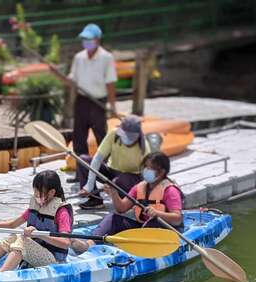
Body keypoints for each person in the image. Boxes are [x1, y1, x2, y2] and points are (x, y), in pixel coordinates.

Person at [0, 170, 73, 272]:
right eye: (35, 193)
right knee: (14, 237)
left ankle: (2, 273)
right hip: (38, 251)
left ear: (52, 192)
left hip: (54, 259)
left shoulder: (62, 212)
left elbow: (65, 243)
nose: (36, 196)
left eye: (39, 193)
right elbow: (12, 224)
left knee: (22, 240)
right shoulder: (36, 206)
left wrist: (40, 235)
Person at [72, 152, 183, 252]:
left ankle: (133, 248)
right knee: (112, 219)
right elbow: (122, 208)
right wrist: (114, 193)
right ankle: (89, 245)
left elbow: (177, 218)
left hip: (165, 232)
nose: (146, 170)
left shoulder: (170, 190)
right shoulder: (140, 187)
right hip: (143, 228)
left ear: (161, 172)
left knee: (154, 221)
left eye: (151, 168)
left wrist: (158, 213)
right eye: (146, 167)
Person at [66, 23, 118, 183]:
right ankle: (80, 172)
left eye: (89, 39)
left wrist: (112, 105)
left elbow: (110, 83)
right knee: (79, 138)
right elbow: (73, 81)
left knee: (102, 137)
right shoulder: (79, 57)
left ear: (97, 40)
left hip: (98, 102)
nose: (86, 42)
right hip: (82, 101)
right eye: (84, 39)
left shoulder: (106, 57)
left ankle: (105, 172)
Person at [78, 115, 150, 209]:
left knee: (117, 182)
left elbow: (148, 175)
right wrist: (89, 185)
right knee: (83, 160)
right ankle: (94, 199)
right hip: (112, 171)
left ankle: (125, 199)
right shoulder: (113, 134)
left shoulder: (144, 148)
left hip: (132, 178)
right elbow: (98, 158)